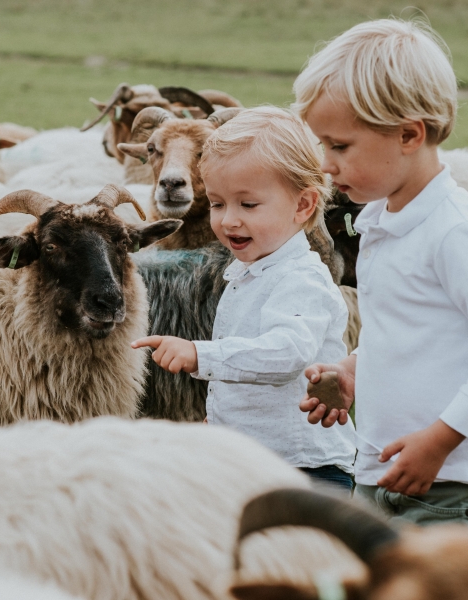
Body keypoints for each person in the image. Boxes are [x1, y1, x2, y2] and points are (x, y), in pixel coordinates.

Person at [293, 19, 468, 524]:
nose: (326, 164)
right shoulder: (383, 219)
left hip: (458, 486)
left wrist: (440, 441)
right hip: (386, 469)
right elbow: (406, 326)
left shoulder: (457, 232)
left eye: (339, 146)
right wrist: (354, 368)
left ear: (408, 134)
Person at [132, 107, 357, 491]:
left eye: (247, 205)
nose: (228, 221)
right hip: (250, 461)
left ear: (303, 206)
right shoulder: (244, 273)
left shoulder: (301, 278)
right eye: (218, 204)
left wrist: (201, 355)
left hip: (301, 469)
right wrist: (222, 421)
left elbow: (286, 353)